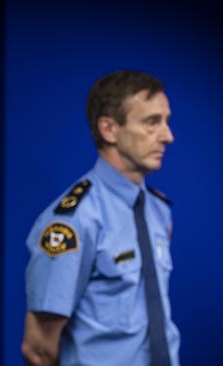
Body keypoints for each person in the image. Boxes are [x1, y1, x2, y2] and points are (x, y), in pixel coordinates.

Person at [21, 70, 180, 366]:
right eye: (151, 122)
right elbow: (39, 349)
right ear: (109, 129)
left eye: (167, 122)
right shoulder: (72, 221)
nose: (168, 136)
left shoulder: (159, 211)